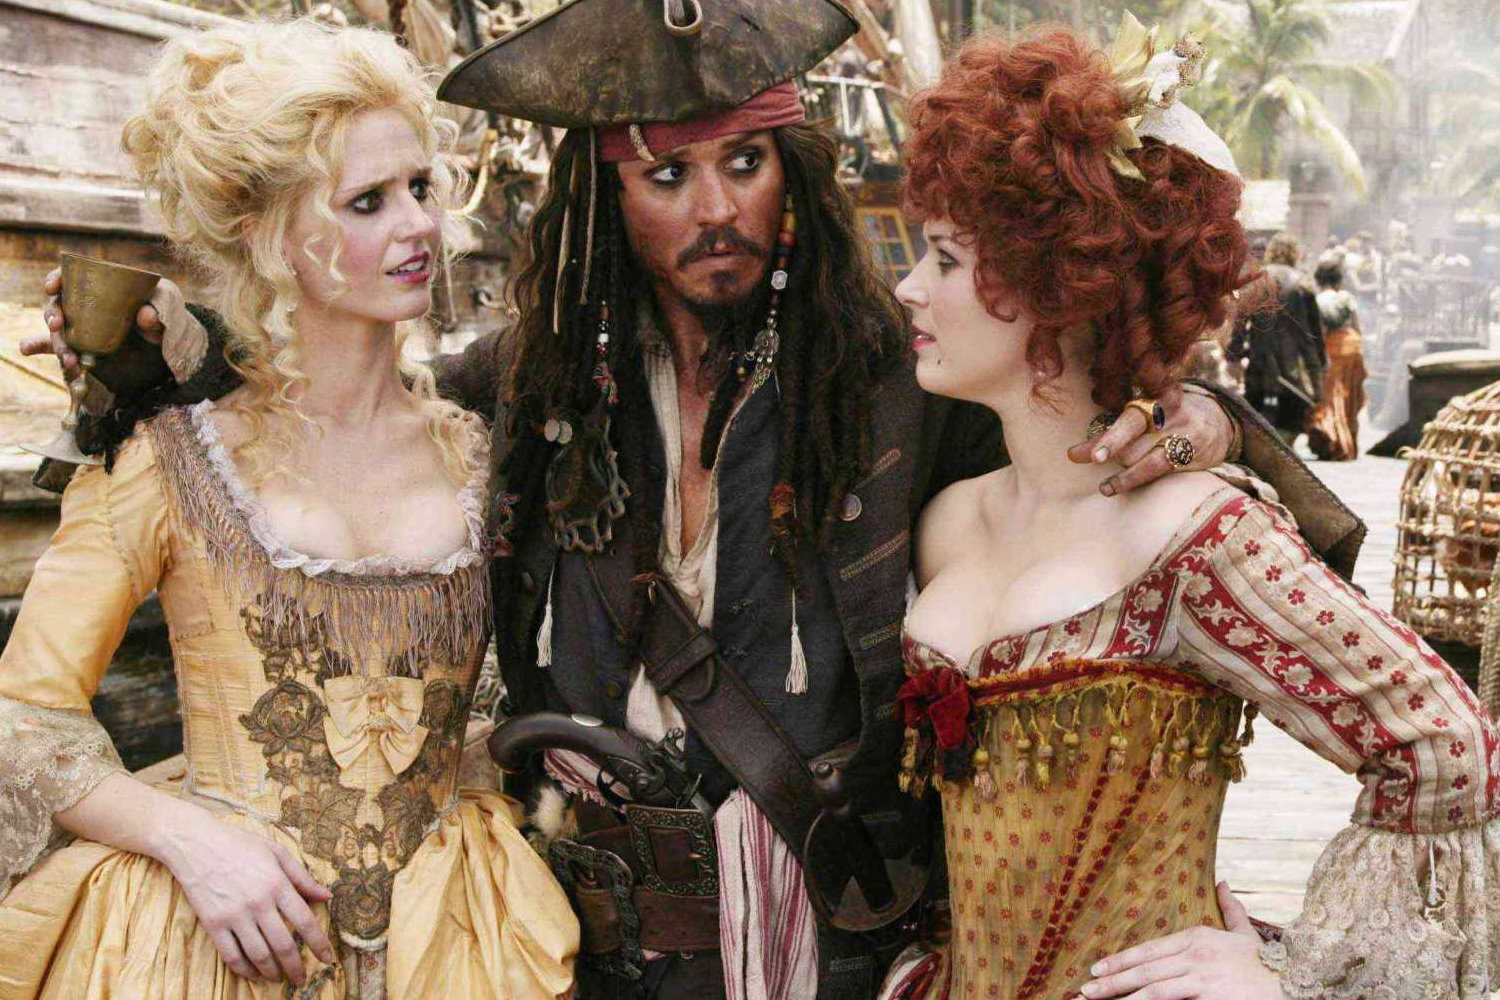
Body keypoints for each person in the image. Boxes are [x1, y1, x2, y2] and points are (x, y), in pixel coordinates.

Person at [26, 4, 1365, 996]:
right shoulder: (520, 386)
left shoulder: (905, 378)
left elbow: (1096, 425)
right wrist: (156, 357)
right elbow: (316, 410)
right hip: (581, 933)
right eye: (668, 177)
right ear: (609, 197)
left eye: (747, 165)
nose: (716, 207)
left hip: (835, 936)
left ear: (796, 175)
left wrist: (1197, 414)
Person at [883, 21, 1499, 1000]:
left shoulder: (1196, 535)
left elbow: (1443, 744)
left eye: (947, 260)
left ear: (1061, 289)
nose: (910, 288)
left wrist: (1295, 974)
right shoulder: (947, 517)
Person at [0, 20, 577, 999]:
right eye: (368, 200)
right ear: (267, 234)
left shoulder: (488, 452)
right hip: (222, 937)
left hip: (456, 933)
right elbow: (21, 716)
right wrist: (187, 840)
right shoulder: (169, 460)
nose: (419, 226)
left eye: (421, 186)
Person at [1231, 231, 1326, 446]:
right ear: (1295, 253)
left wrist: (1234, 353)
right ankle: (1281, 450)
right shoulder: (1303, 284)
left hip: (1258, 358)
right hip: (1290, 365)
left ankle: (1258, 449)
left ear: (1271, 251)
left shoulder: (1256, 280)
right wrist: (1318, 366)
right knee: (1290, 417)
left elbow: (1240, 321)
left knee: (1254, 412)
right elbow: (1313, 333)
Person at [1306, 253, 1367, 461]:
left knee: (1332, 397)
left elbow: (1319, 331)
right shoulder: (1347, 298)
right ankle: (1350, 445)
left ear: (1318, 278)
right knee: (1350, 399)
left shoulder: (1318, 300)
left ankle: (1335, 443)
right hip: (1353, 346)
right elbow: (1356, 326)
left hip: (1332, 348)